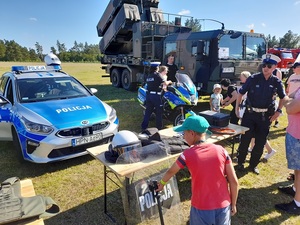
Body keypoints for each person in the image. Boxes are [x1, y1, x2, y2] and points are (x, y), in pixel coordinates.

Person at [155, 115, 239, 225]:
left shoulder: (187, 154)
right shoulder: (222, 150)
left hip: (201, 207)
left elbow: (171, 171)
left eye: (184, 133)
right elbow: (234, 181)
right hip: (223, 206)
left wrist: (161, 183)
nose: (183, 137)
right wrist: (233, 204)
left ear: (192, 133)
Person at [235, 53, 288, 175]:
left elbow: (283, 97)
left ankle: (253, 165)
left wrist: (278, 111)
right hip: (249, 115)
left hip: (265, 117)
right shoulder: (253, 78)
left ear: (274, 67)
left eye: (269, 66)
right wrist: (237, 108)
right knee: (245, 140)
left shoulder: (276, 81)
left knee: (260, 142)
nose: (266, 68)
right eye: (264, 65)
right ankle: (240, 163)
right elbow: (241, 93)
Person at [275, 87, 300, 215]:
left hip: (298, 136)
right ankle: (296, 189)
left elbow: (290, 108)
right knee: (297, 168)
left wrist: (286, 99)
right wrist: (289, 99)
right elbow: (292, 95)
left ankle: (297, 204)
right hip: (296, 133)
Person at [141, 62, 172, 131]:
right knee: (159, 112)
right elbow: (165, 83)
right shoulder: (157, 75)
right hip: (156, 96)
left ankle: (143, 127)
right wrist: (170, 81)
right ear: (157, 68)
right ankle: (159, 128)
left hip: (149, 96)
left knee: (148, 112)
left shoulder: (149, 76)